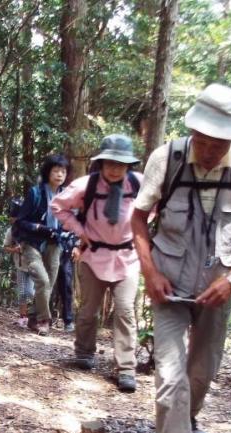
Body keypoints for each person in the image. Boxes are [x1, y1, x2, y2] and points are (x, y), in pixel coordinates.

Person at [130, 84, 231, 433]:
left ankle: (183, 424)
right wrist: (150, 272)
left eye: (219, 143)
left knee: (202, 372)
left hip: (217, 286)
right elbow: (139, 221)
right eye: (204, 141)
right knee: (170, 372)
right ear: (193, 131)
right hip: (168, 284)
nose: (209, 151)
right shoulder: (168, 158)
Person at [52, 135, 143, 393]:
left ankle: (125, 368)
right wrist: (80, 231)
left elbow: (159, 204)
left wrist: (142, 230)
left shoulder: (140, 184)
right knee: (88, 310)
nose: (115, 168)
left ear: (129, 165)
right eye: (110, 162)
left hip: (127, 258)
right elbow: (58, 206)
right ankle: (83, 352)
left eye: (121, 163)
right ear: (101, 163)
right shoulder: (85, 185)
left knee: (125, 311)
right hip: (94, 255)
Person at [13, 155, 70, 335]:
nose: (60, 174)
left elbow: (71, 220)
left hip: (55, 244)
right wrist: (40, 228)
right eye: (56, 170)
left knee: (48, 285)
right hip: (32, 243)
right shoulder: (35, 193)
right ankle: (44, 320)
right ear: (48, 172)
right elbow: (21, 221)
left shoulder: (67, 195)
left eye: (63, 171)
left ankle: (31, 317)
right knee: (43, 281)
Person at [3, 226, 34, 328]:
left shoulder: (34, 226)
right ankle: (23, 317)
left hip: (36, 265)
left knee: (31, 292)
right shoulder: (12, 230)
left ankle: (36, 316)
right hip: (21, 266)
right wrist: (14, 250)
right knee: (22, 292)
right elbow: (5, 247)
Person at [52, 228, 80, 332]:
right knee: (46, 283)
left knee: (66, 285)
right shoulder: (51, 212)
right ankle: (44, 318)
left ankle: (68, 320)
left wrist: (77, 246)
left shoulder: (76, 213)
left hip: (67, 249)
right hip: (51, 244)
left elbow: (82, 226)